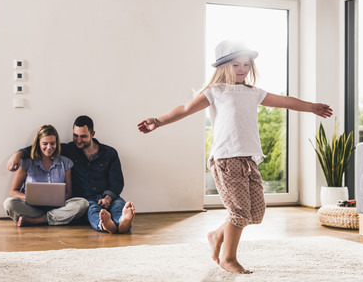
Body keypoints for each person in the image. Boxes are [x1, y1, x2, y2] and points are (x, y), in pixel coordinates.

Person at [137, 40, 333, 274]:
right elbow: (185, 108)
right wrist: (158, 121)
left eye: (246, 64)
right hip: (226, 159)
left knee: (256, 213)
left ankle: (217, 233)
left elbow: (286, 101)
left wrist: (312, 107)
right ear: (222, 67)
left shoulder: (254, 92)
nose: (242, 69)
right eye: (236, 64)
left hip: (249, 160)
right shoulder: (215, 92)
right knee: (240, 212)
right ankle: (228, 258)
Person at [7, 115, 136, 234]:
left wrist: (108, 198)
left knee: (117, 206)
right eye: (75, 136)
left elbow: (117, 182)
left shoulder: (110, 153)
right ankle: (106, 225)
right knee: (92, 210)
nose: (78, 140)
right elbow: (40, 147)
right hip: (85, 198)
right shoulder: (69, 149)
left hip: (105, 196)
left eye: (83, 136)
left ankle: (122, 224)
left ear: (92, 134)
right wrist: (17, 155)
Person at [3, 124, 89, 227]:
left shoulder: (65, 162)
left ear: (57, 143)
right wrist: (29, 198)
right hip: (32, 208)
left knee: (83, 204)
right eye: (45, 143)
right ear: (38, 143)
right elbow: (13, 192)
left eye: (52, 143)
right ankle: (53, 218)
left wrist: (57, 200)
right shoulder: (27, 162)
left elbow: (69, 193)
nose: (49, 147)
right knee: (9, 203)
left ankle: (37, 220)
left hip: (57, 208)